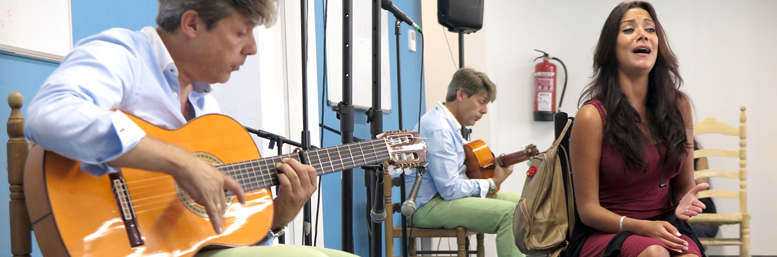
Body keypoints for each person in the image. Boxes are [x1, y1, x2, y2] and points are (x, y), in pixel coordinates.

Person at [24, 0, 355, 256]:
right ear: (192, 23)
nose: (252, 47)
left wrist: (277, 217)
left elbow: (211, 236)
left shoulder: (206, 108)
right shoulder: (122, 55)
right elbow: (49, 113)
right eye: (242, 32)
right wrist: (180, 162)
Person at [565, 1, 708, 256]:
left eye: (650, 30)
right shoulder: (592, 117)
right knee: (655, 253)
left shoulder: (679, 106)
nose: (643, 34)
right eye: (629, 29)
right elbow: (587, 211)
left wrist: (684, 202)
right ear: (611, 47)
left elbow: (684, 185)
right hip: (606, 232)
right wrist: (642, 228)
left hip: (665, 224)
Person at [405, 67, 524, 257]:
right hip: (428, 206)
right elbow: (450, 189)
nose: (484, 110)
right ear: (461, 95)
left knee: (524, 203)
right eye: (481, 102)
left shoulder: (448, 125)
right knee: (511, 214)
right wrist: (493, 183)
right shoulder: (439, 129)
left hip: (443, 199)